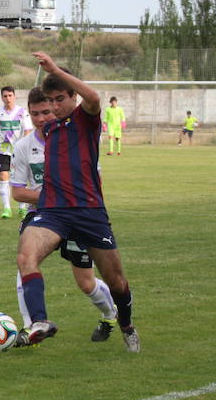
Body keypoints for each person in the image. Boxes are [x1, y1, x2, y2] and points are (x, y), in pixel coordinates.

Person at [15, 52, 140, 352]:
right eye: (50, 101)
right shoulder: (49, 130)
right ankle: (39, 323)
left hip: (89, 213)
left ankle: (126, 325)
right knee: (25, 257)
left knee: (117, 281)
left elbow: (94, 96)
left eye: (60, 99)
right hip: (53, 213)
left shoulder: (85, 121)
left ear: (73, 97)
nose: (55, 107)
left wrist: (56, 69)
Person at [9, 88, 117, 347]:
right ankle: (33, 326)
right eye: (35, 114)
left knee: (86, 282)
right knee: (25, 261)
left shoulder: (76, 139)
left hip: (77, 214)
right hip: (43, 214)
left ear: (56, 109)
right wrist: (48, 196)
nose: (41, 118)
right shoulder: (23, 147)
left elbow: (94, 180)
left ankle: (109, 314)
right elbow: (17, 191)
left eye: (46, 112)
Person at [0, 85, 33, 218]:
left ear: (14, 96)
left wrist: (26, 148)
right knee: (3, 177)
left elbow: (28, 132)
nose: (8, 98)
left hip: (20, 152)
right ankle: (6, 208)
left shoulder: (23, 112)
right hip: (3, 151)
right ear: (2, 98)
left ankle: (22, 208)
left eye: (10, 95)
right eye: (5, 96)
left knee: (20, 180)